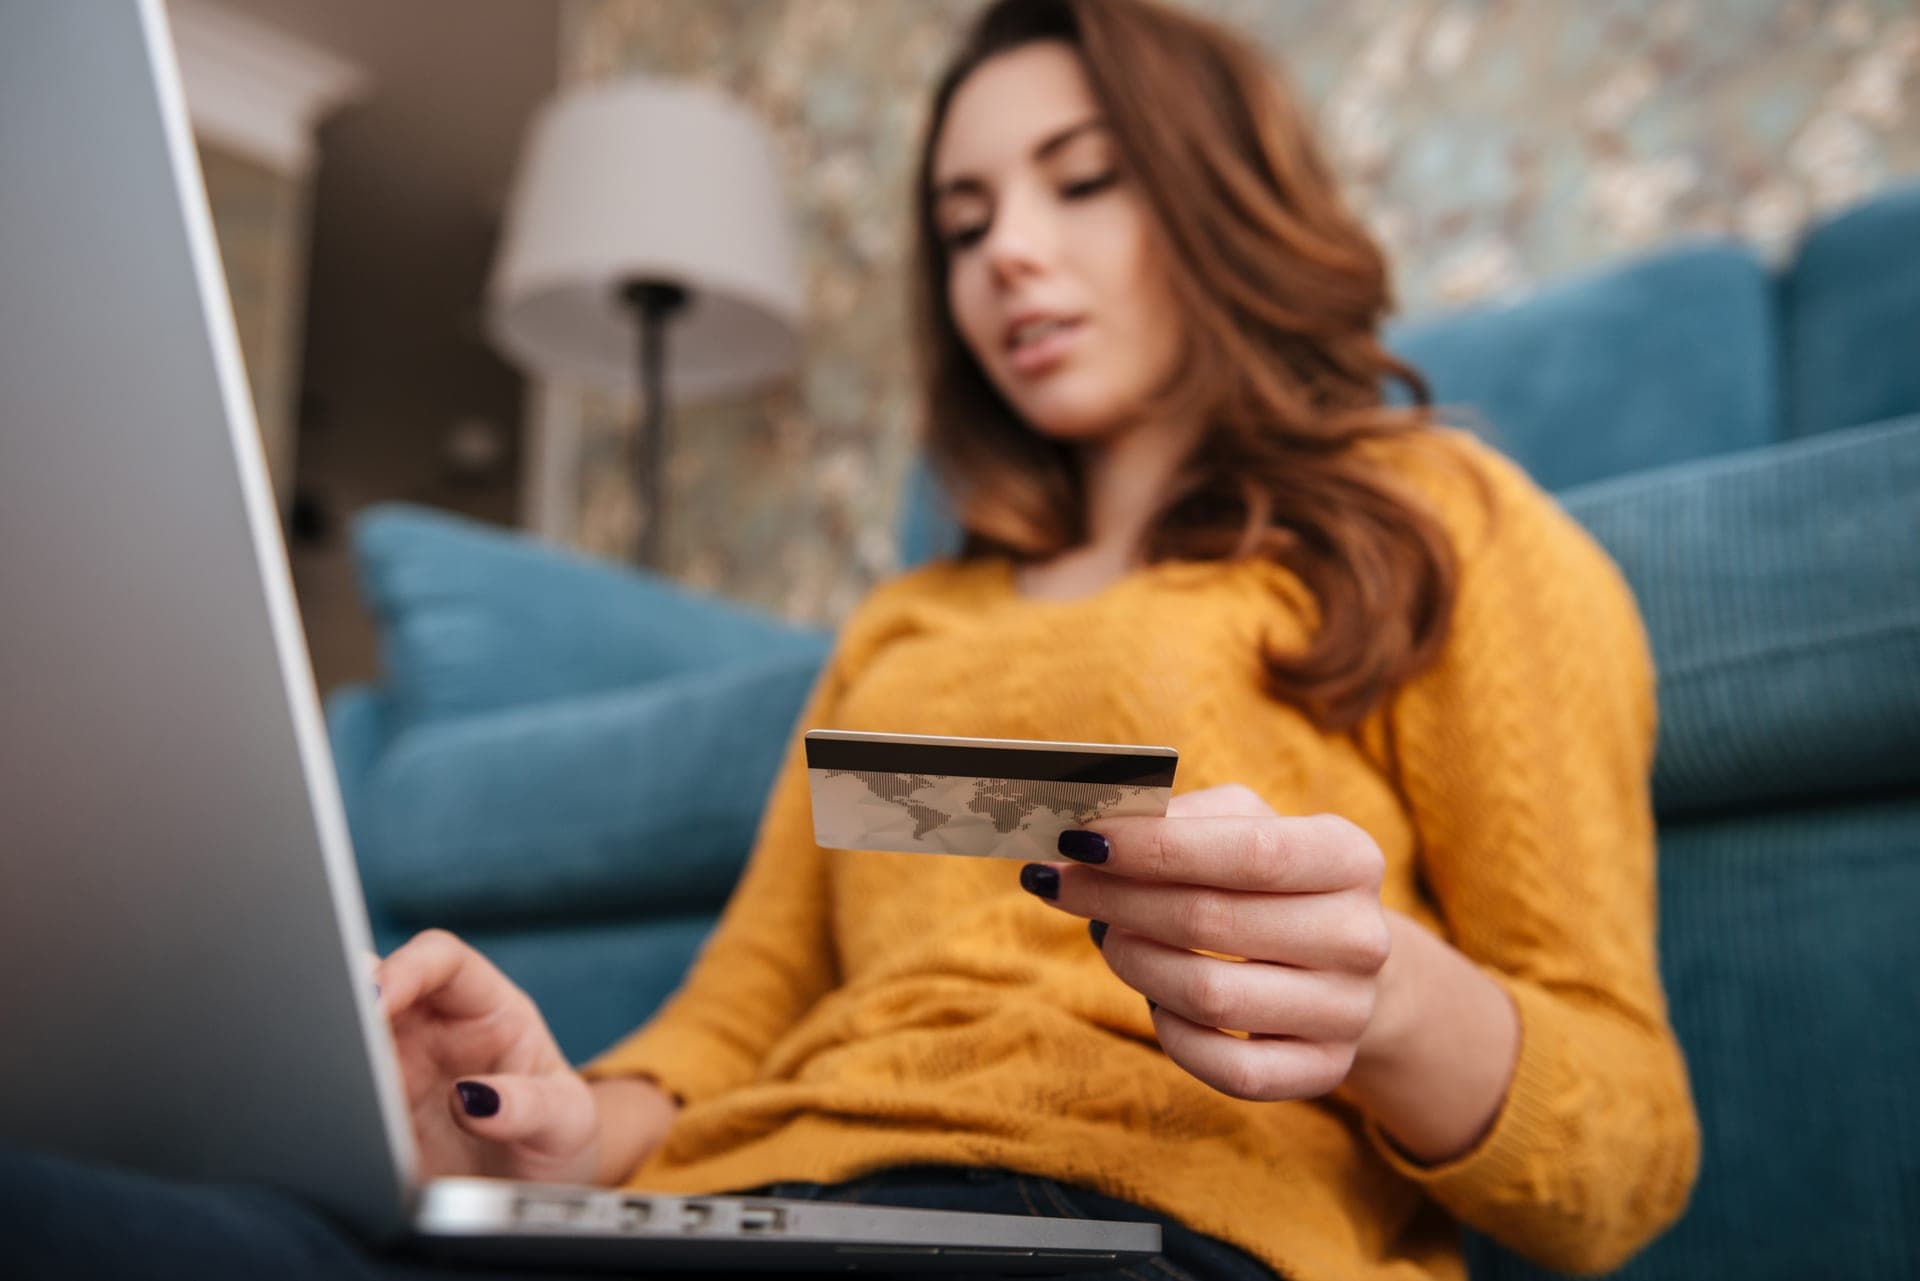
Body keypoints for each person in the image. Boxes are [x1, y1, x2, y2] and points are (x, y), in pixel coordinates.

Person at [6, 1, 1698, 1279]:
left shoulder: (1440, 521)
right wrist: (564, 1115)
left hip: (1133, 1216)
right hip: (756, 1204)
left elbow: (1626, 1145)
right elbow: (740, 1021)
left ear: (1218, 198)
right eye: (962, 222)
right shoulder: (909, 618)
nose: (1007, 256)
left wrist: (1389, 997)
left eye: (1080, 183)